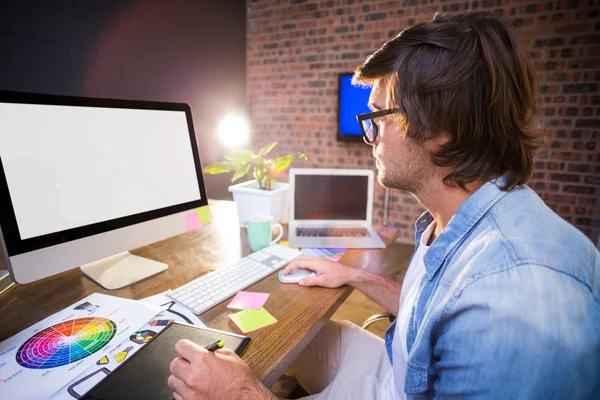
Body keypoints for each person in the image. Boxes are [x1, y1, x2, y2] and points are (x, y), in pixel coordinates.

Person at [167, 10, 600, 400]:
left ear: (440, 129)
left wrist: (241, 395)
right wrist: (351, 275)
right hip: (396, 369)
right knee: (276, 334)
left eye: (377, 118)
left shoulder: (510, 305)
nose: (368, 137)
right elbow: (432, 305)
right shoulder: (462, 216)